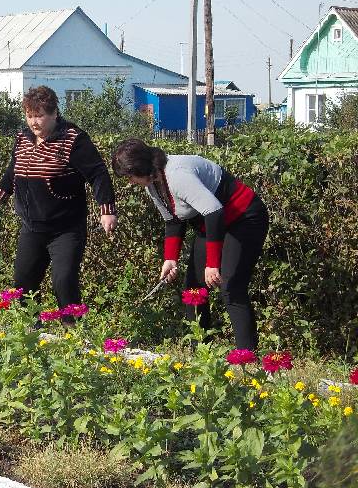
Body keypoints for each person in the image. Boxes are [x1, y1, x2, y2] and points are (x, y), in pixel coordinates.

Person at [111, 138, 269, 350]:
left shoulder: (177, 175)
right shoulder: (152, 184)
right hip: (212, 223)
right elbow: (174, 221)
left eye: (130, 176)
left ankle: (248, 358)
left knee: (231, 286)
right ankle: (202, 352)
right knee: (193, 289)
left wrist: (212, 264)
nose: (130, 182)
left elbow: (213, 211)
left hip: (244, 218)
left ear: (141, 167)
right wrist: (170, 259)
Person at [0, 85, 117, 314]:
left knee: (63, 282)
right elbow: (10, 175)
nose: (34, 122)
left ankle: (73, 331)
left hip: (66, 228)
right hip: (31, 227)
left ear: (54, 113)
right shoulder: (22, 140)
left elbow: (98, 173)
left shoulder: (73, 139)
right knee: (23, 283)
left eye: (40, 116)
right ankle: (30, 332)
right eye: (29, 116)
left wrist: (107, 210)